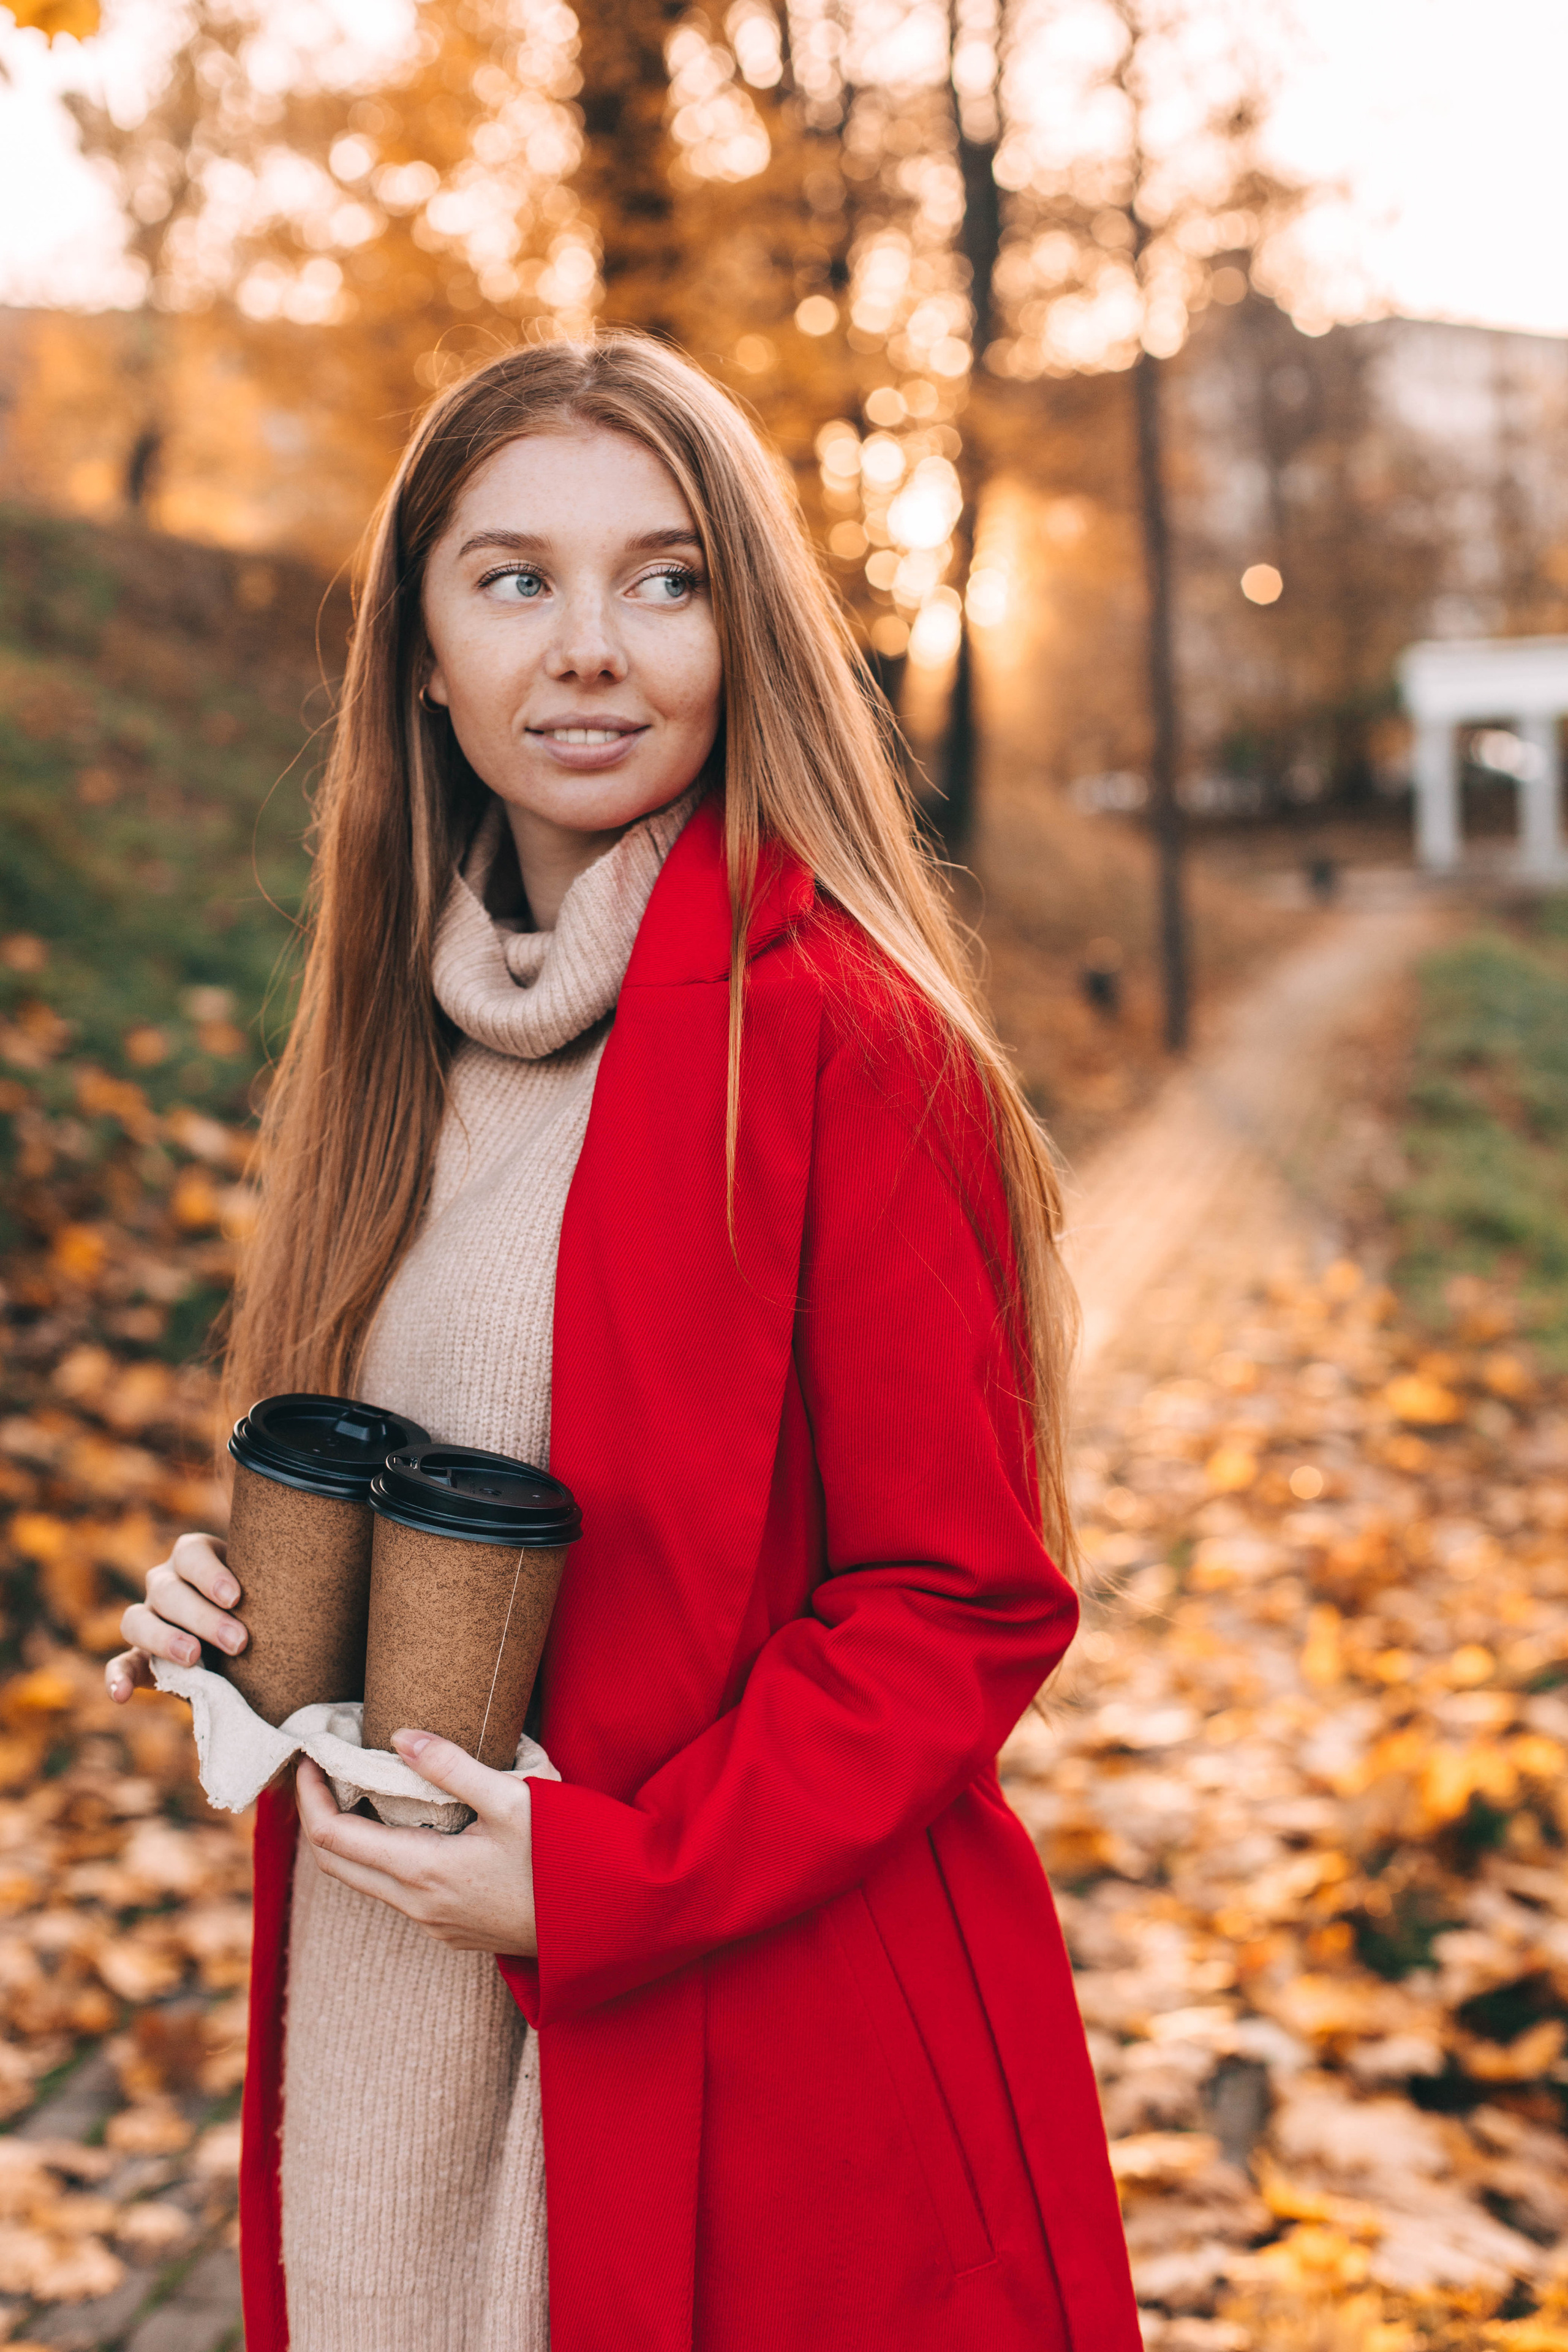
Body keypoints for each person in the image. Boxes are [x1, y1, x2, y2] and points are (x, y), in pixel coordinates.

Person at [105, 336, 1138, 2352]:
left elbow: (963, 1603)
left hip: (746, 2051)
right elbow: (447, 1520)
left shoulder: (842, 1039)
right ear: (422, 652)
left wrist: (615, 1878)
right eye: (516, 579)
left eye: (667, 580)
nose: (591, 645)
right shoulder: (393, 1050)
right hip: (392, 2016)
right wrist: (251, 1622)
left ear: (745, 635)